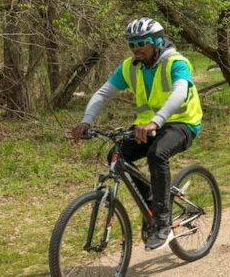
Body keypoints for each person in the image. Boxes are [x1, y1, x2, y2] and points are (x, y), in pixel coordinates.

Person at [71, 17, 203, 251]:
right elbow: (103, 93)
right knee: (116, 155)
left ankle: (162, 222)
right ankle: (152, 201)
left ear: (157, 42)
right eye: (132, 44)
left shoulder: (176, 62)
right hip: (147, 125)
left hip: (183, 123)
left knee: (157, 154)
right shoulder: (130, 67)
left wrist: (156, 121)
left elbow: (180, 92)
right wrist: (86, 121)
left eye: (142, 43)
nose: (136, 49)